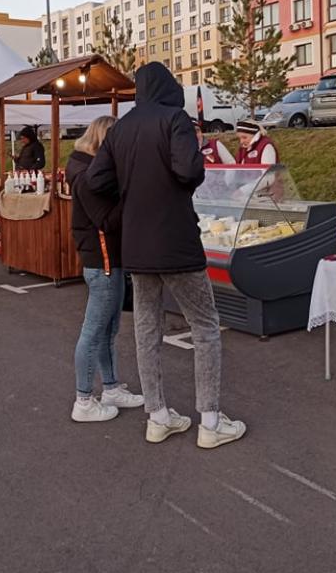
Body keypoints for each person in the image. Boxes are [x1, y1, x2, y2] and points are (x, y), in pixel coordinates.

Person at [88, 61, 246, 449]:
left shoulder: (120, 128)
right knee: (205, 325)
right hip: (176, 242)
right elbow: (189, 171)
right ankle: (210, 422)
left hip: (137, 247)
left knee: (146, 330)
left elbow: (96, 179)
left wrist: (127, 202)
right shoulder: (175, 120)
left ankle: (157, 417)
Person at [66, 116, 144, 423]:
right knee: (94, 331)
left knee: (107, 330)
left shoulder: (86, 168)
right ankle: (83, 400)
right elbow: (107, 221)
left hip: (106, 260)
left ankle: (110, 388)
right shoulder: (88, 177)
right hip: (103, 262)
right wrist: (130, 195)